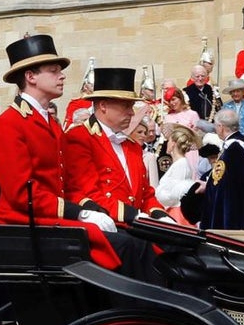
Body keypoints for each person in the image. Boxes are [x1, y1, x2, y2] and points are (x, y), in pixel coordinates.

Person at [0, 34, 123, 271]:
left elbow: (66, 182)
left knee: (129, 239)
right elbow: (22, 194)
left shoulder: (50, 123)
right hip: (22, 223)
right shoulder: (9, 124)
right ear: (31, 77)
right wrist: (78, 213)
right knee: (125, 247)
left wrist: (90, 207)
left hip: (48, 217)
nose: (62, 76)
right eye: (53, 71)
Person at [62, 68, 170, 227]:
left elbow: (145, 194)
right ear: (103, 105)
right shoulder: (80, 138)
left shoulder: (132, 146)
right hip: (105, 224)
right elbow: (87, 192)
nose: (132, 113)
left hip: (135, 226)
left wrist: (161, 216)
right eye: (126, 106)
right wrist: (133, 215)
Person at [201, 108, 244, 230]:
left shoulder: (233, 148)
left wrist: (207, 186)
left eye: (216, 126)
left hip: (236, 212)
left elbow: (222, 182)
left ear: (221, 127)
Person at [155, 123, 201, 224]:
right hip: (172, 210)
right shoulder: (179, 163)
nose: (167, 143)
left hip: (177, 213)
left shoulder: (181, 164)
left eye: (169, 141)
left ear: (173, 143)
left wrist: (159, 195)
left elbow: (176, 194)